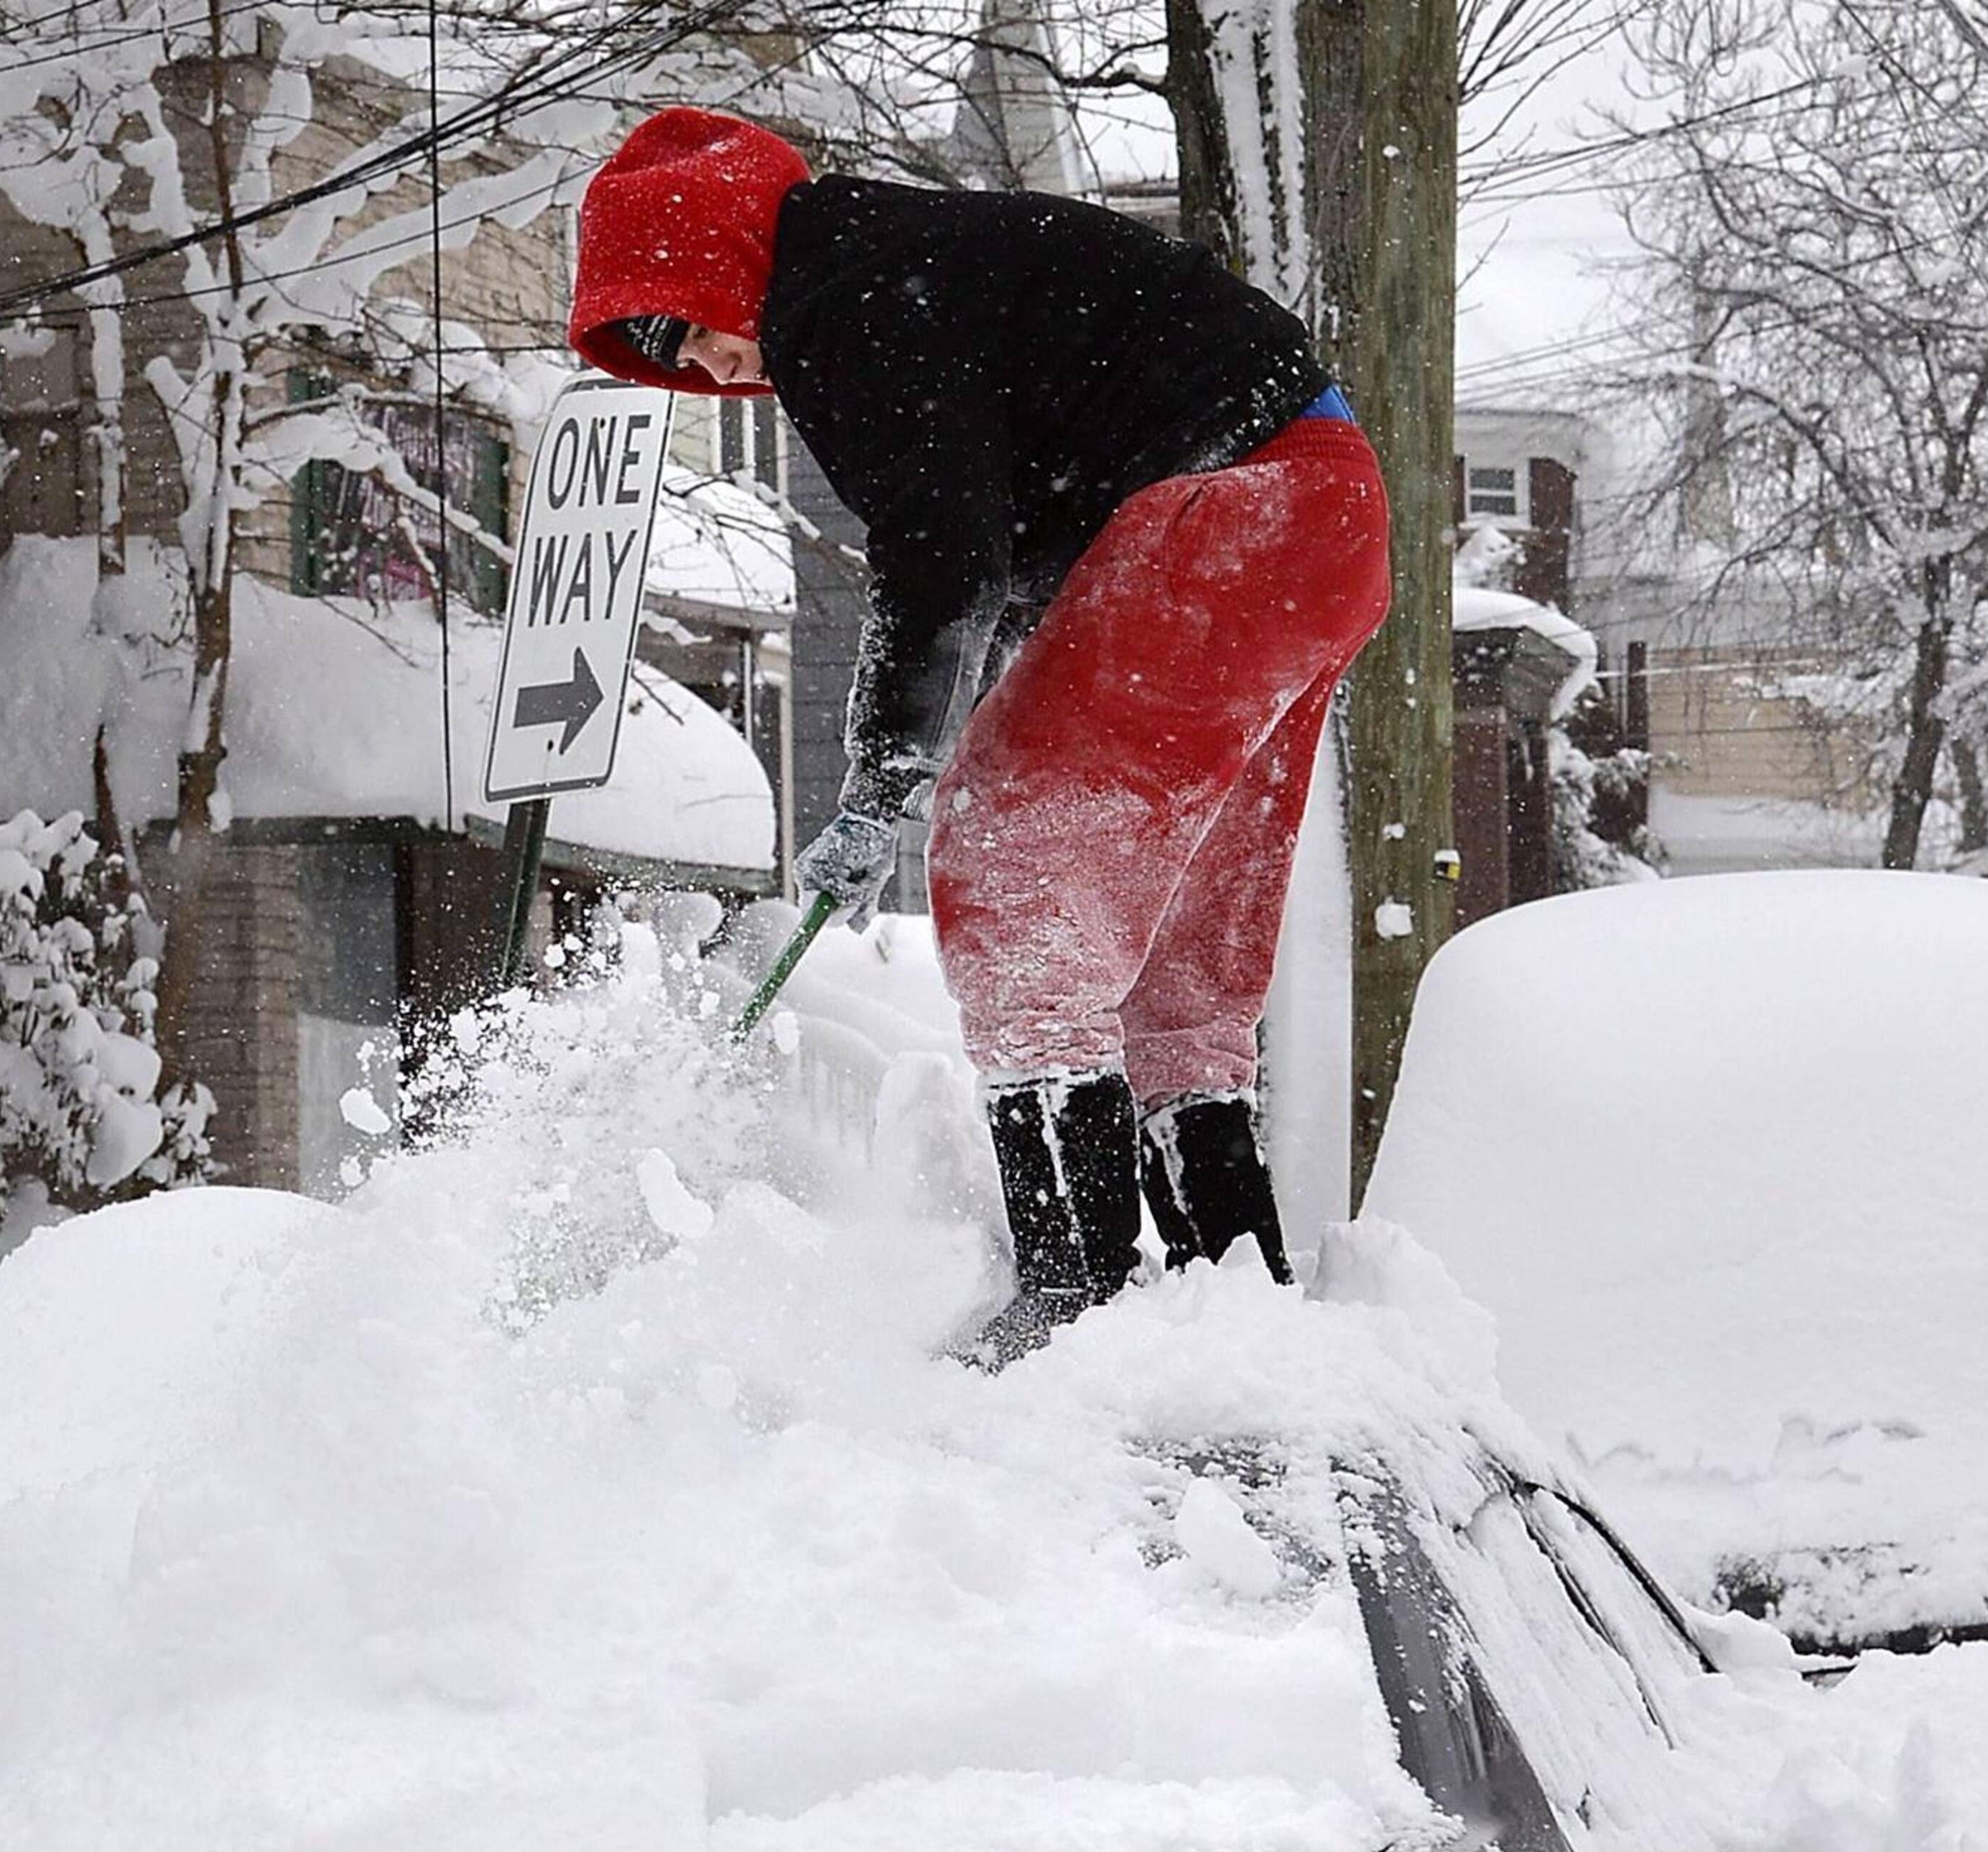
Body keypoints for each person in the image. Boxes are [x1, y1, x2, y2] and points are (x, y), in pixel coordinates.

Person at [570, 107, 1390, 1357]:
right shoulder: (908, 266)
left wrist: (887, 773)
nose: (710, 365)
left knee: (1010, 848)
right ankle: (1242, 1300)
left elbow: (943, 556)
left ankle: (1079, 1297)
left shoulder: (841, 302)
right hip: (1320, 515)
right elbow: (1014, 536)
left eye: (687, 321)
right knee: (1173, 941)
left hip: (1228, 511)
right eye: (669, 352)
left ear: (718, 257)